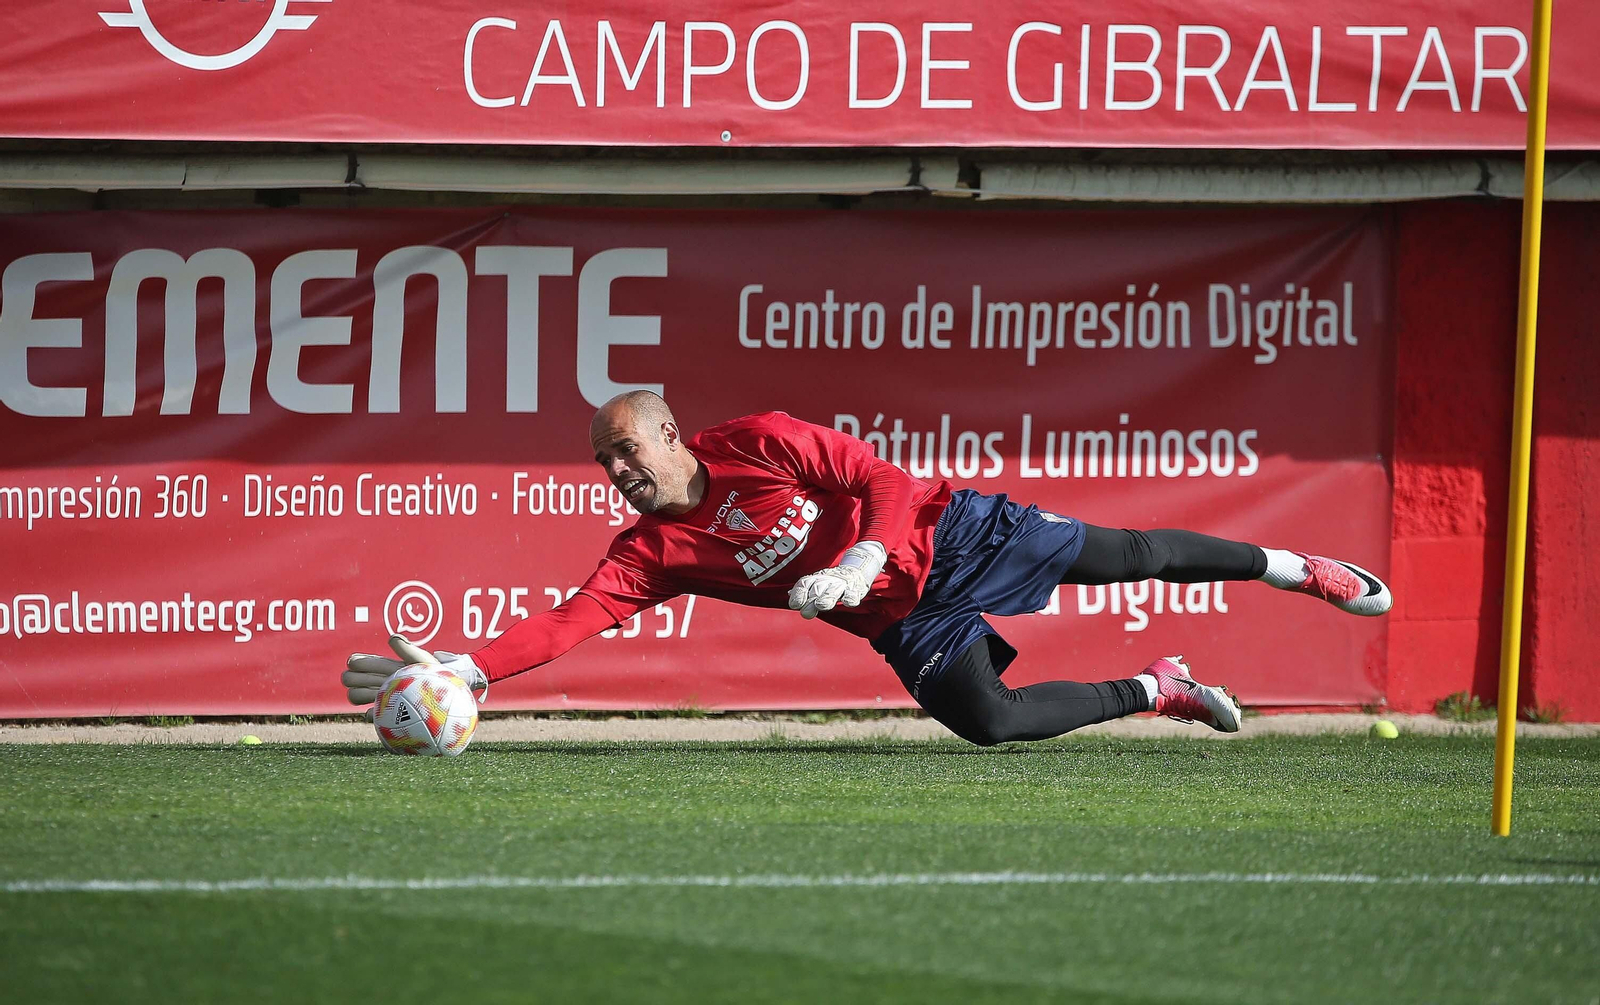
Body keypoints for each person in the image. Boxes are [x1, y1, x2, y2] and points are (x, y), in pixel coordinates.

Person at [343, 391, 1392, 744]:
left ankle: (1297, 567)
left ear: (671, 434)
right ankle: (1157, 687)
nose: (619, 470)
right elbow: (569, 622)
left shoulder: (756, 438)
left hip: (952, 535)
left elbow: (884, 477)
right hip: (905, 620)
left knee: (1134, 555)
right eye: (605, 462)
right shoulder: (650, 552)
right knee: (992, 724)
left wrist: (866, 551)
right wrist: (469, 670)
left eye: (630, 449)